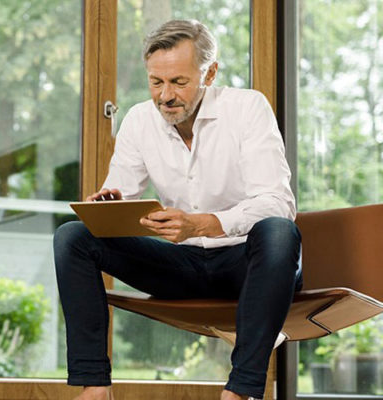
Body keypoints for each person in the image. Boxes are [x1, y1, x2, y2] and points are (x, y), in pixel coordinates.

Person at [53, 19, 302, 400]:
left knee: (280, 232)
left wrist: (202, 224)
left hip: (247, 265)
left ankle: (241, 391)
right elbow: (121, 190)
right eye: (156, 82)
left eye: (179, 82)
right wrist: (109, 205)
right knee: (72, 236)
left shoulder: (248, 109)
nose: (165, 96)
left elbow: (278, 203)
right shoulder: (139, 119)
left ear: (210, 73)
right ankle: (94, 387)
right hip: (181, 265)